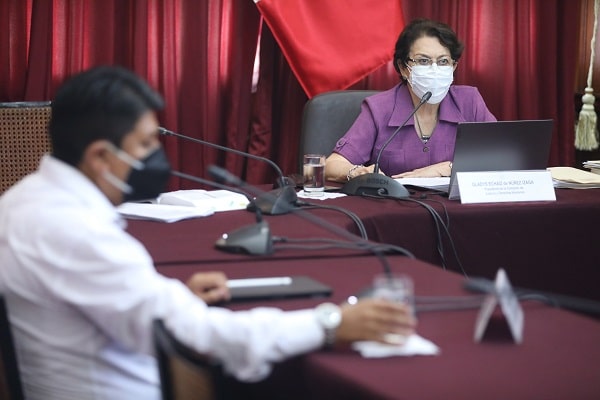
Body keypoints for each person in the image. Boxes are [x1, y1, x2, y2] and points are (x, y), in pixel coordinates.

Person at [0, 66, 416, 400]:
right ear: (100, 157)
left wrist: (170, 295)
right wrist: (330, 322)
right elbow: (203, 336)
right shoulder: (78, 233)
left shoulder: (22, 202)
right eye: (144, 145)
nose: (156, 156)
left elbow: (105, 298)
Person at [325, 18, 496, 182]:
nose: (434, 69)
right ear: (403, 68)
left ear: (454, 66)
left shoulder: (469, 102)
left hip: (454, 203)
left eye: (443, 61)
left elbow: (501, 157)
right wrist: (358, 172)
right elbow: (332, 165)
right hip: (394, 201)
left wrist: (447, 168)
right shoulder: (379, 109)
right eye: (423, 61)